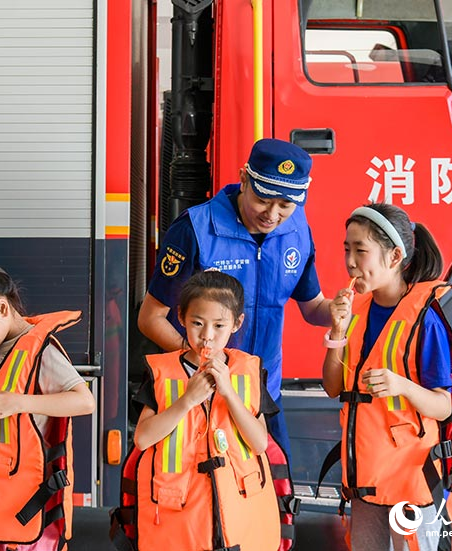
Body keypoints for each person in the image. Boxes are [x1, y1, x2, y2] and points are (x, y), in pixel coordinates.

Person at [138, 138, 332, 456]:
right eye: (264, 199)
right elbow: (150, 318)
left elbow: (314, 310)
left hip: (262, 395)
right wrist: (201, 360)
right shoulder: (195, 229)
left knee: (270, 496)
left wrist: (343, 309)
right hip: (199, 393)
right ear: (244, 178)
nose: (273, 214)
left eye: (286, 205)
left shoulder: (297, 230)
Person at [322, 203, 452, 551]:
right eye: (346, 249)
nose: (350, 262)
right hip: (366, 479)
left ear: (395, 256)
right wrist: (337, 331)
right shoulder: (356, 314)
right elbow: (333, 387)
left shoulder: (425, 320)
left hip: (409, 482)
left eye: (361, 251)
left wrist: (402, 386)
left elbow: (444, 407)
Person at [0, 261, 95, 551]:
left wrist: (20, 403)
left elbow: (85, 401)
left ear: (1, 309)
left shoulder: (42, 352)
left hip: (26, 510)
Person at [131, 271, 281, 551]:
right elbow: (142, 439)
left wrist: (229, 393)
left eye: (219, 326)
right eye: (197, 323)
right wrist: (187, 400)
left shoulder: (249, 372)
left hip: (237, 515)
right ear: (181, 317)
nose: (207, 337)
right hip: (181, 518)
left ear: (237, 324)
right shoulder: (160, 372)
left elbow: (260, 443)